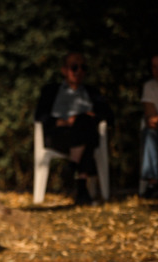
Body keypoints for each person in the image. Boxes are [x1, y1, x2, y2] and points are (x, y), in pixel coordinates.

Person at [34, 52, 113, 206]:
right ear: (64, 70)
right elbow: (39, 116)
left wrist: (91, 116)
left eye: (83, 67)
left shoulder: (92, 92)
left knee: (85, 123)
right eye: (74, 67)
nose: (79, 71)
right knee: (87, 138)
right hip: (60, 134)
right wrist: (62, 122)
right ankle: (81, 186)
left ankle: (73, 171)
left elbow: (109, 116)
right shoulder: (51, 90)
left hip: (85, 132)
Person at [139, 53, 158, 199]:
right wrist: (153, 120)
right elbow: (150, 114)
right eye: (154, 67)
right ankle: (153, 183)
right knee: (149, 132)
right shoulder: (150, 86)